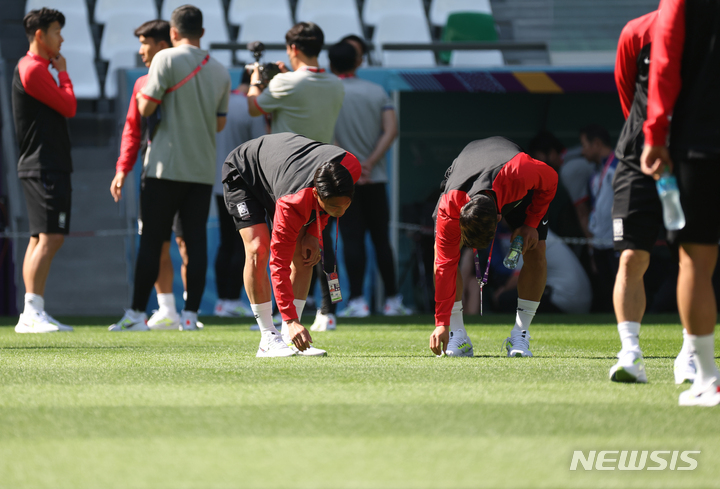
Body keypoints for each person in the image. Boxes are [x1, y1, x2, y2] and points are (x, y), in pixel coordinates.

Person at [109, 5, 230, 332]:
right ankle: (190, 316)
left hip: (164, 166)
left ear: (173, 34)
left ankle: (136, 313)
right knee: (195, 243)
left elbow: (146, 106)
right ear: (202, 32)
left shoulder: (165, 59)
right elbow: (219, 125)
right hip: (203, 169)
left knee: (152, 241)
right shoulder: (220, 69)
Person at [608, 10, 695, 385]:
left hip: (695, 156)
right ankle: (630, 353)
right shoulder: (636, 31)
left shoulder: (707, 28)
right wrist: (651, 142)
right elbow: (630, 95)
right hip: (639, 156)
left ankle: (691, 353)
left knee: (697, 257)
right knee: (631, 256)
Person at [641, 0, 720, 406]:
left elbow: (665, 60)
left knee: (696, 263)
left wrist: (654, 134)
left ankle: (707, 379)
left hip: (701, 145)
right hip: (698, 144)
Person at [222, 133, 360, 357]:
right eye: (333, 207)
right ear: (317, 194)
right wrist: (290, 318)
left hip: (283, 174)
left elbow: (327, 208)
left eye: (345, 206)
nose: (340, 212)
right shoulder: (292, 203)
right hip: (245, 172)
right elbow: (279, 264)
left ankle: (289, 338)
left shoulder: (351, 169)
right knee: (259, 249)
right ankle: (268, 338)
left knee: (307, 256)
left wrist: (315, 232)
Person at [247, 22, 345, 331]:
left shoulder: (286, 83)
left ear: (292, 49)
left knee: (286, 250)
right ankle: (328, 311)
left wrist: (256, 81)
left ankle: (285, 320)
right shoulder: (335, 83)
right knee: (319, 245)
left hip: (286, 175)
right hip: (324, 173)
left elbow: (253, 107)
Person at [429, 137, 558, 357]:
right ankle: (457, 334)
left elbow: (551, 179)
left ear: (500, 218)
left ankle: (520, 334)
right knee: (442, 253)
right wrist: (441, 322)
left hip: (510, 177)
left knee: (536, 249)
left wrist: (531, 224)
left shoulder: (521, 172)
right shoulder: (449, 207)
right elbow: (444, 264)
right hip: (465, 171)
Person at [110, 19, 188, 330]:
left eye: (146, 43)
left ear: (164, 44)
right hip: (155, 173)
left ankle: (191, 313)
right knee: (158, 243)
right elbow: (133, 129)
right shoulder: (142, 84)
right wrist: (122, 168)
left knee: (187, 241)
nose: (141, 50)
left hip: (193, 172)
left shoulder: (191, 77)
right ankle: (167, 309)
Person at [328, 40, 410, 318]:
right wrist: (370, 163)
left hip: (343, 180)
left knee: (352, 240)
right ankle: (392, 300)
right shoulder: (377, 91)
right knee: (381, 240)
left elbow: (328, 135)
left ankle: (357, 301)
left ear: (330, 63)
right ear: (359, 61)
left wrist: (351, 166)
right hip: (375, 178)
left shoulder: (328, 92)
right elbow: (391, 130)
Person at [12, 8, 76, 333]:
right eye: (56, 31)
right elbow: (69, 106)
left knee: (41, 237)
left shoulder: (36, 68)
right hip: (43, 165)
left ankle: (33, 310)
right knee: (50, 236)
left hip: (44, 165)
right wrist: (63, 73)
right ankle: (31, 312)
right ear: (40, 35)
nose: (61, 38)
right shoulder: (33, 68)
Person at [213, 70, 266, 317]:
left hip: (217, 183)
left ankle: (223, 299)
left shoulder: (221, 103)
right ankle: (232, 299)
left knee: (226, 242)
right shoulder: (249, 107)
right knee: (242, 245)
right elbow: (261, 147)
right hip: (243, 186)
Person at [580, 124, 618, 312]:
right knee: (606, 289)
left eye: (584, 145)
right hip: (600, 242)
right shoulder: (595, 174)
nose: (582, 151)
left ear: (596, 143)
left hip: (617, 241)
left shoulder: (618, 166)